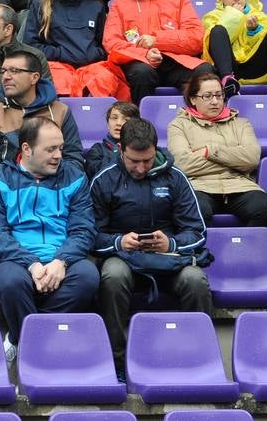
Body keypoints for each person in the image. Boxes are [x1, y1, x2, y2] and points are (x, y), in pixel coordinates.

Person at [90, 117, 213, 369]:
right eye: (134, 161)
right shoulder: (103, 179)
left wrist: (171, 244)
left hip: (169, 258)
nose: (141, 168)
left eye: (147, 159)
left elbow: (196, 231)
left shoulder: (176, 178)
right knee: (112, 275)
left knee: (195, 280)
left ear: (156, 150)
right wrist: (118, 242)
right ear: (121, 150)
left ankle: (199, 359)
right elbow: (90, 235)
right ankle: (117, 362)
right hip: (123, 257)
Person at [0, 111, 99, 362]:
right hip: (18, 260)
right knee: (10, 282)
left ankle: (18, 336)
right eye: (51, 149)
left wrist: (60, 261)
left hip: (62, 258)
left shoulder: (75, 177)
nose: (58, 156)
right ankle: (43, 348)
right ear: (27, 149)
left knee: (88, 277)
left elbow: (84, 229)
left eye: (61, 148)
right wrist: (32, 264)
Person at [102, 0, 212, 104]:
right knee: (142, 72)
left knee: (205, 72)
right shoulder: (119, 4)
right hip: (138, 63)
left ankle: (201, 124)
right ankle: (140, 125)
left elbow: (196, 38)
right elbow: (111, 44)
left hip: (175, 61)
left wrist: (157, 40)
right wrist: (144, 54)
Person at [167, 67, 267, 226]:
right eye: (207, 96)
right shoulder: (178, 125)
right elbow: (183, 165)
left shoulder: (241, 124)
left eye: (219, 95)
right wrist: (233, 162)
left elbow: (251, 159)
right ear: (193, 99)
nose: (215, 101)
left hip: (239, 185)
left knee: (266, 209)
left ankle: (248, 250)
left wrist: (210, 151)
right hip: (199, 186)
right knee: (195, 210)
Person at [0, 46, 83, 186]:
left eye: (14, 71)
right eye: (3, 71)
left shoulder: (60, 111)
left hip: (51, 193)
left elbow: (74, 160)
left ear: (34, 78)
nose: (6, 77)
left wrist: (43, 182)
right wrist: (17, 180)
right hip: (5, 193)